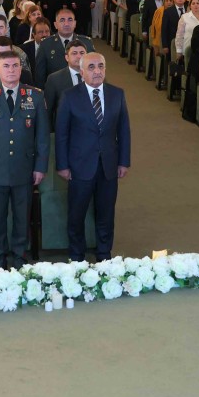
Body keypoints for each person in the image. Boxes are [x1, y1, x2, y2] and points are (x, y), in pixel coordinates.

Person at [0, 51, 50, 269]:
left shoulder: (35, 96)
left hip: (25, 167)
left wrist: (40, 166)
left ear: (21, 69)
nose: (11, 70)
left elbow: (42, 136)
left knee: (22, 217)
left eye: (15, 65)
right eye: (6, 66)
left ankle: (20, 256)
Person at [56, 53, 131, 262]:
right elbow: (61, 134)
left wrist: (124, 161)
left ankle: (104, 254)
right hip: (79, 166)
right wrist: (62, 165)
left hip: (109, 165)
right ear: (82, 72)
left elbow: (124, 130)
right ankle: (77, 256)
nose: (97, 71)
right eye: (91, 67)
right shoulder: (70, 96)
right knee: (76, 214)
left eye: (101, 66)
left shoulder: (117, 94)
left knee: (106, 213)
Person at [35, 8, 95, 86]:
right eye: (62, 20)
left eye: (70, 20)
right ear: (55, 25)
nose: (66, 24)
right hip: (56, 90)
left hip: (82, 88)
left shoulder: (87, 43)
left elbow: (94, 69)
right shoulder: (46, 44)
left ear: (75, 23)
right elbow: (40, 76)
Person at [42, 41, 87, 121]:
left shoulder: (96, 76)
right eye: (74, 53)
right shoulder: (54, 79)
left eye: (82, 53)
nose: (79, 56)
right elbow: (48, 110)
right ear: (67, 57)